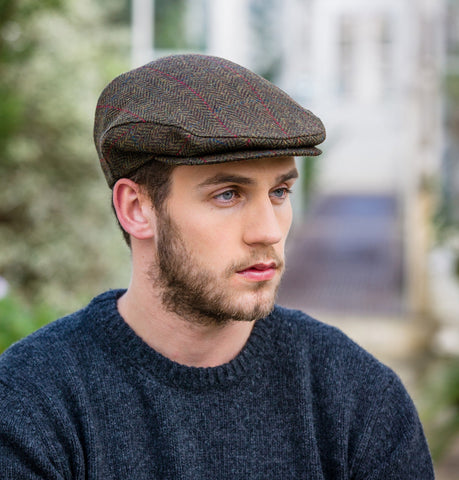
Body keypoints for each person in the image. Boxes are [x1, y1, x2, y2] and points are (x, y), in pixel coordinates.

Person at [0, 54, 434, 479]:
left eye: (280, 192)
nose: (268, 230)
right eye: (228, 194)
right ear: (136, 208)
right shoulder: (31, 405)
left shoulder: (357, 398)